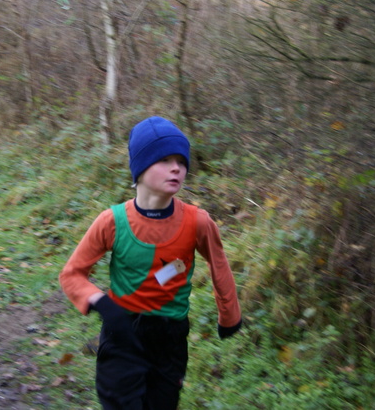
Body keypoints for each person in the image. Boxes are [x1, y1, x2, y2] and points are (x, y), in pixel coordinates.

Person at [59, 116, 242, 410]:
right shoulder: (112, 222)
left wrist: (229, 316)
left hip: (170, 341)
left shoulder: (198, 222)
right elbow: (72, 274)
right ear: (141, 168)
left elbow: (219, 266)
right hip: (122, 335)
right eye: (164, 159)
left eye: (181, 162)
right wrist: (105, 306)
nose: (176, 168)